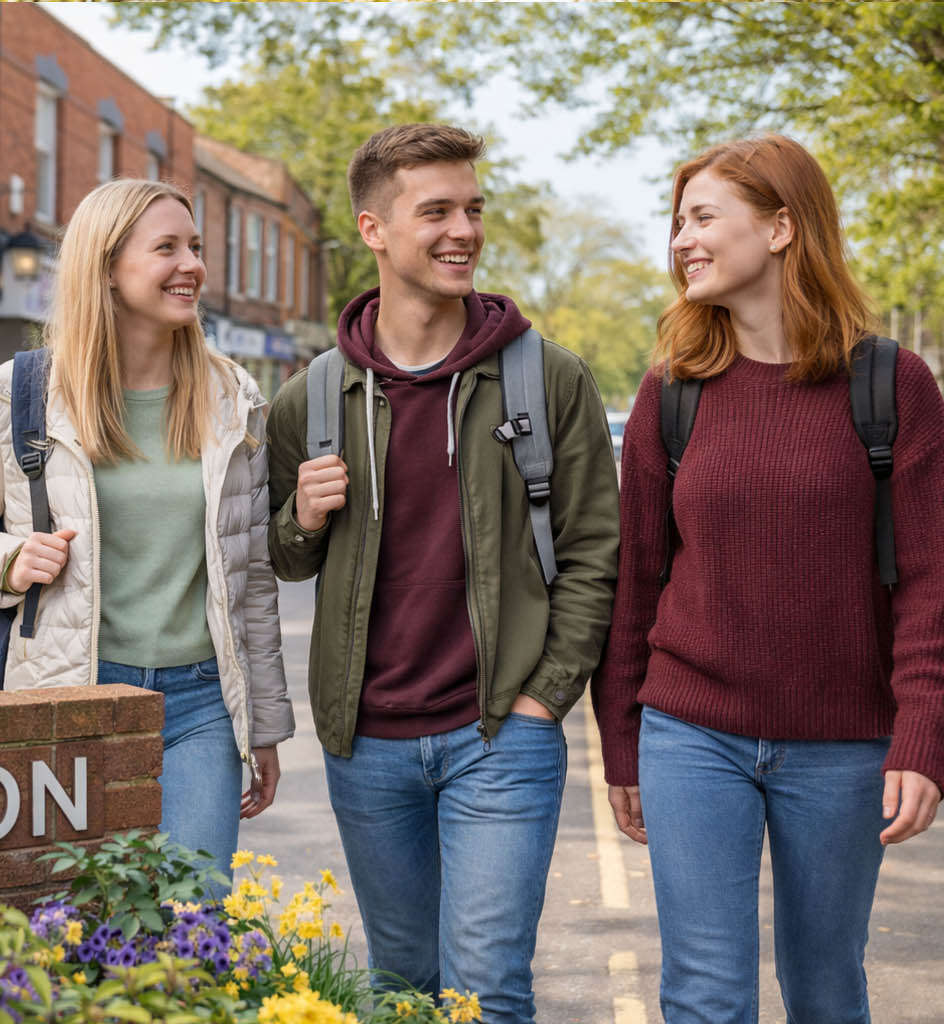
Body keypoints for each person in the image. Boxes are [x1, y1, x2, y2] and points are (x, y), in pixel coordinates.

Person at [592, 134, 944, 1023]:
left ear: (780, 228)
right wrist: (623, 741)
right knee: (704, 993)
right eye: (676, 222)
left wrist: (925, 736)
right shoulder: (671, 393)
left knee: (826, 987)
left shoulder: (893, 385)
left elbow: (936, 593)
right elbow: (635, 586)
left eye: (702, 218)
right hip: (692, 735)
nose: (681, 239)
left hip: (843, 747)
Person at [266, 124, 620, 1021]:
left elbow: (594, 552)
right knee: (402, 988)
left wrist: (544, 698)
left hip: (500, 732)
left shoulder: (548, 379)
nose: (464, 229)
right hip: (367, 742)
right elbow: (283, 556)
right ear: (374, 229)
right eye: (437, 211)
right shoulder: (310, 397)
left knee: (489, 989)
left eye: (473, 209)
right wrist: (302, 515)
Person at [0, 179, 294, 891]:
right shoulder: (20, 395)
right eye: (167, 248)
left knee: (192, 922)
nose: (193, 266)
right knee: (73, 922)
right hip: (72, 695)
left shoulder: (230, 399)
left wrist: (262, 721)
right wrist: (8, 559)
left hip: (201, 706)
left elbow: (253, 577)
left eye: (197, 247)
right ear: (107, 267)